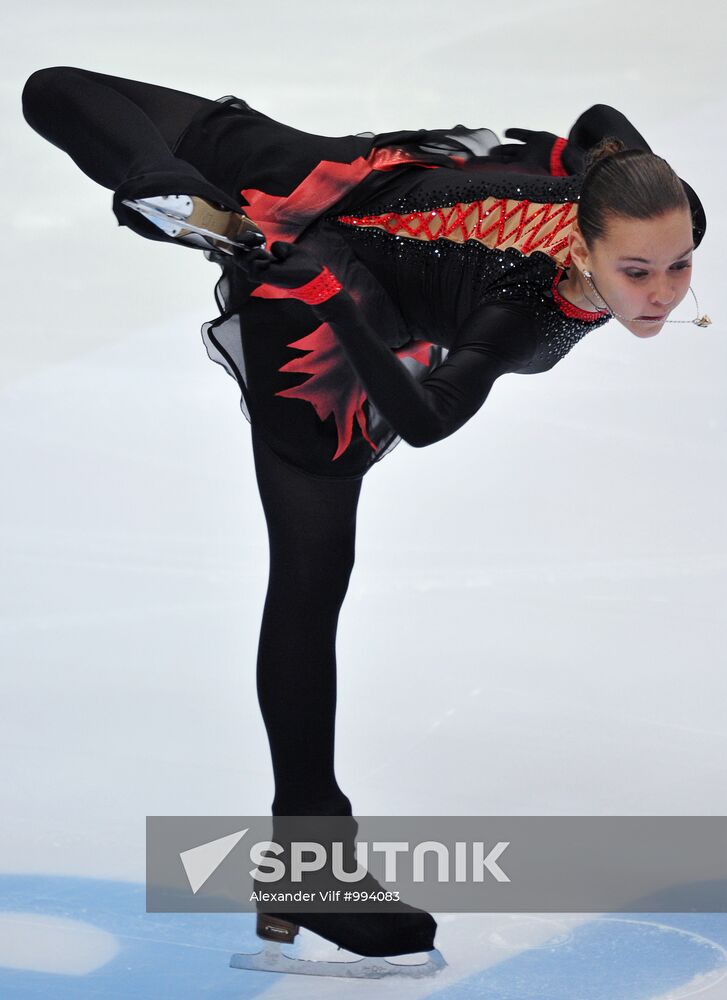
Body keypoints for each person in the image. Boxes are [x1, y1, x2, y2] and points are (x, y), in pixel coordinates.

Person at [21, 66, 708, 979]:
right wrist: (308, 287)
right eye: (636, 269)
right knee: (58, 90)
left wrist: (592, 157)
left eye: (679, 265)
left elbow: (594, 129)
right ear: (583, 243)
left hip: (347, 247)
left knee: (315, 576)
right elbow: (425, 416)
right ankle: (179, 194)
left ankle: (308, 852)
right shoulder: (534, 306)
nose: (661, 291)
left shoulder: (610, 227)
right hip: (333, 223)